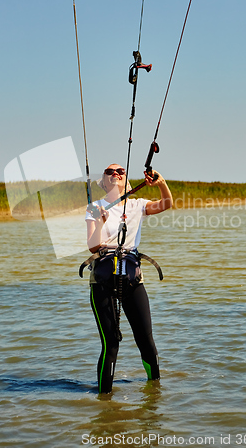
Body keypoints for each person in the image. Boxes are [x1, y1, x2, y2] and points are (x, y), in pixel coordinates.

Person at [85, 163, 173, 394]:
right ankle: (105, 400)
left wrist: (161, 183)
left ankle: (155, 394)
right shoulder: (95, 207)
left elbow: (166, 204)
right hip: (102, 282)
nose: (115, 174)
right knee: (111, 344)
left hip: (133, 280)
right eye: (109, 172)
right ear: (103, 182)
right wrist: (101, 222)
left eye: (120, 171)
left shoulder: (137, 204)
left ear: (127, 179)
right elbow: (93, 245)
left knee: (146, 341)